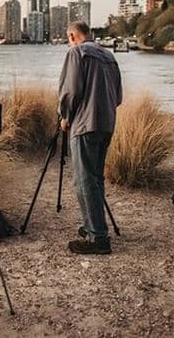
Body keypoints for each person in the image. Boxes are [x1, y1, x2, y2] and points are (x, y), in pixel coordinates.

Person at [58, 21, 123, 255]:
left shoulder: (77, 52)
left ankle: (98, 237)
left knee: (84, 180)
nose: (68, 41)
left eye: (68, 38)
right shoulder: (109, 56)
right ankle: (92, 226)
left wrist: (65, 116)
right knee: (95, 178)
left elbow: (71, 91)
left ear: (73, 35)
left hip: (85, 124)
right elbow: (118, 96)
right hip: (107, 123)